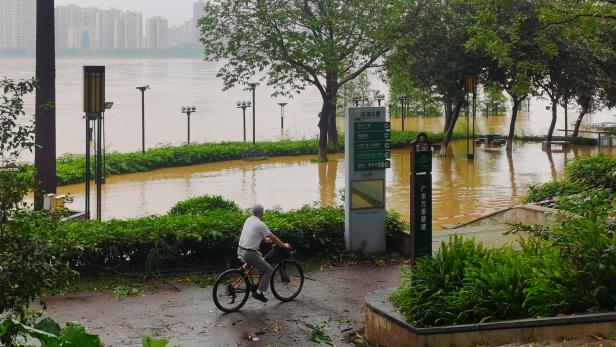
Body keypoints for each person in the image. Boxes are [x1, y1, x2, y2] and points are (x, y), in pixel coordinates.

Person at [238, 204, 291, 303]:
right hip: (249, 253)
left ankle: (243, 268)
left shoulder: (249, 220)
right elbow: (273, 237)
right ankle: (258, 293)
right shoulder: (260, 224)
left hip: (240, 250)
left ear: (252, 212)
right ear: (262, 213)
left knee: (261, 257)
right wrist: (284, 245)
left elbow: (263, 237)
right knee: (269, 270)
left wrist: (269, 240)